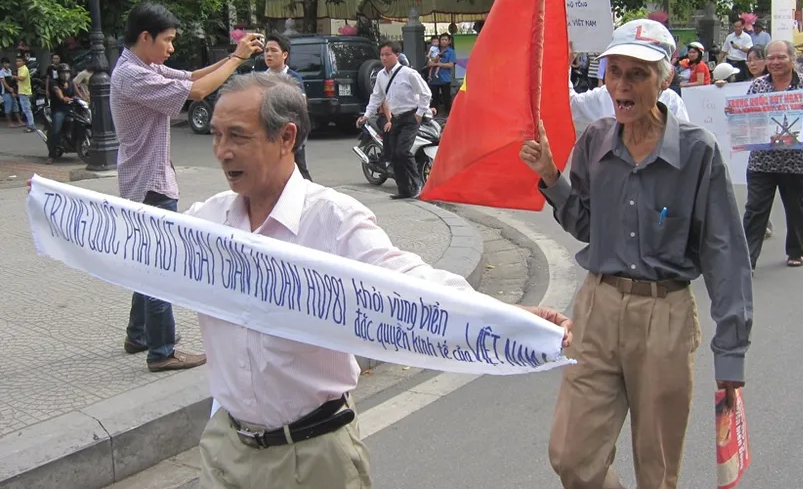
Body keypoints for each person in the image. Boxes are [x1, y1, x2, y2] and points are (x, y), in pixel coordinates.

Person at [193, 73, 571, 489]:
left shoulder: (332, 220)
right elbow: (136, 247)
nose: (222, 152)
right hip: (225, 452)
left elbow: (410, 284)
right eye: (216, 136)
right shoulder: (207, 222)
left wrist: (508, 317)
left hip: (312, 459)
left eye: (237, 136)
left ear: (286, 138)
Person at [520, 19, 753, 489]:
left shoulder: (696, 152)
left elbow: (725, 254)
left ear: (665, 80)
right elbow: (584, 224)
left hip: (664, 316)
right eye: (614, 72)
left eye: (638, 74)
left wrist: (730, 353)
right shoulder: (595, 142)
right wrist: (551, 177)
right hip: (597, 308)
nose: (622, 85)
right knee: (571, 457)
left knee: (657, 469)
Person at [111, 1, 264, 372]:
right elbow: (197, 93)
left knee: (144, 262)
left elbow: (191, 77)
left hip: (144, 179)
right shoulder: (134, 76)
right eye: (167, 40)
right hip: (150, 183)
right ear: (145, 37)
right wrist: (237, 60)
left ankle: (139, 333)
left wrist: (233, 57)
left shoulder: (140, 65)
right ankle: (161, 351)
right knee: (160, 269)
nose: (171, 48)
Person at [741, 40, 803, 270]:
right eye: (771, 58)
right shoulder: (759, 85)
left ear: (792, 59)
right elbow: (747, 118)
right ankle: (747, 259)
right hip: (761, 160)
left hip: (794, 161)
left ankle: (795, 250)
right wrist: (736, 114)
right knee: (755, 210)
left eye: (781, 57)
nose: (775, 62)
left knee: (795, 207)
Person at [357, 41, 431, 200]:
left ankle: (417, 183)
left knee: (403, 151)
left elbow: (426, 94)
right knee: (393, 155)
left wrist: (419, 113)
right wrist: (367, 115)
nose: (384, 58)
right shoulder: (381, 76)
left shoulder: (409, 74)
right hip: (395, 118)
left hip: (410, 117)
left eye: (388, 54)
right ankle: (404, 190)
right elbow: (376, 96)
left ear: (397, 55)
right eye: (382, 55)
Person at [262, 34, 311, 181]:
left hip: (290, 132)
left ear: (284, 54)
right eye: (266, 50)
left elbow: (301, 106)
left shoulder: (293, 78)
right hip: (269, 132)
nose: (269, 54)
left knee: (299, 170)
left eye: (273, 50)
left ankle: (309, 199)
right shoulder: (261, 78)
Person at [45, 64, 82, 164]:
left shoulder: (71, 83)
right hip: (59, 110)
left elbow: (78, 94)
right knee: (55, 131)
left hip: (71, 109)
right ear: (59, 74)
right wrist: (63, 98)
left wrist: (85, 99)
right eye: (63, 72)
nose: (65, 75)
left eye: (67, 72)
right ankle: (51, 155)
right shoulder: (54, 82)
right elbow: (58, 91)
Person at [427, 33, 456, 114]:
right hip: (434, 79)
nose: (443, 41)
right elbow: (429, 63)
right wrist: (433, 61)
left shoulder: (451, 52)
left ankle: (448, 115)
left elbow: (450, 65)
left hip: (445, 78)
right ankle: (433, 115)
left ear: (449, 41)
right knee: (434, 98)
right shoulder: (435, 50)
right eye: (442, 39)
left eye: (445, 40)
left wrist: (437, 64)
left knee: (446, 98)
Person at [14, 54, 37, 133]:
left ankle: (31, 125)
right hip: (22, 91)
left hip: (25, 92)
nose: (18, 62)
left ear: (24, 62)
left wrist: (14, 77)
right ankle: (30, 125)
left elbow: (22, 78)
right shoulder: (20, 69)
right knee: (25, 109)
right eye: (17, 61)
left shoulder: (24, 69)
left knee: (27, 109)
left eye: (20, 61)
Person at [1, 57, 19, 128]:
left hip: (11, 91)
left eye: (8, 63)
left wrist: (13, 90)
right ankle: (9, 123)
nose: (7, 64)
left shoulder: (9, 71)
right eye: (5, 63)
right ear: (3, 64)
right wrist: (9, 89)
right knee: (8, 108)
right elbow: (4, 83)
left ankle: (19, 121)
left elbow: (12, 81)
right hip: (5, 92)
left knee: (15, 106)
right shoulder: (1, 72)